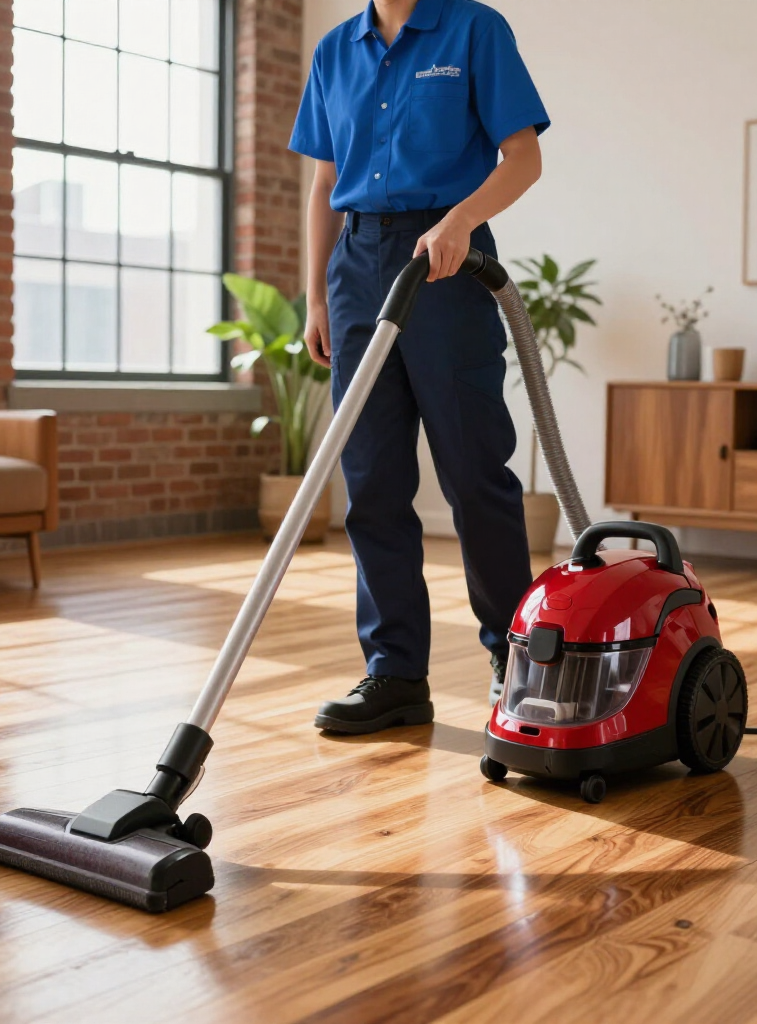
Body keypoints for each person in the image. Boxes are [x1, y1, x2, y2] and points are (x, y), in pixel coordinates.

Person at [289, 0, 549, 734]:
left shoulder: (475, 29)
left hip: (447, 257)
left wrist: (460, 220)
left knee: (473, 471)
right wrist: (316, 297)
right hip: (355, 266)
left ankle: (520, 662)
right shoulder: (336, 51)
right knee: (370, 478)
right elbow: (323, 183)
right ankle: (395, 672)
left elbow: (523, 156)